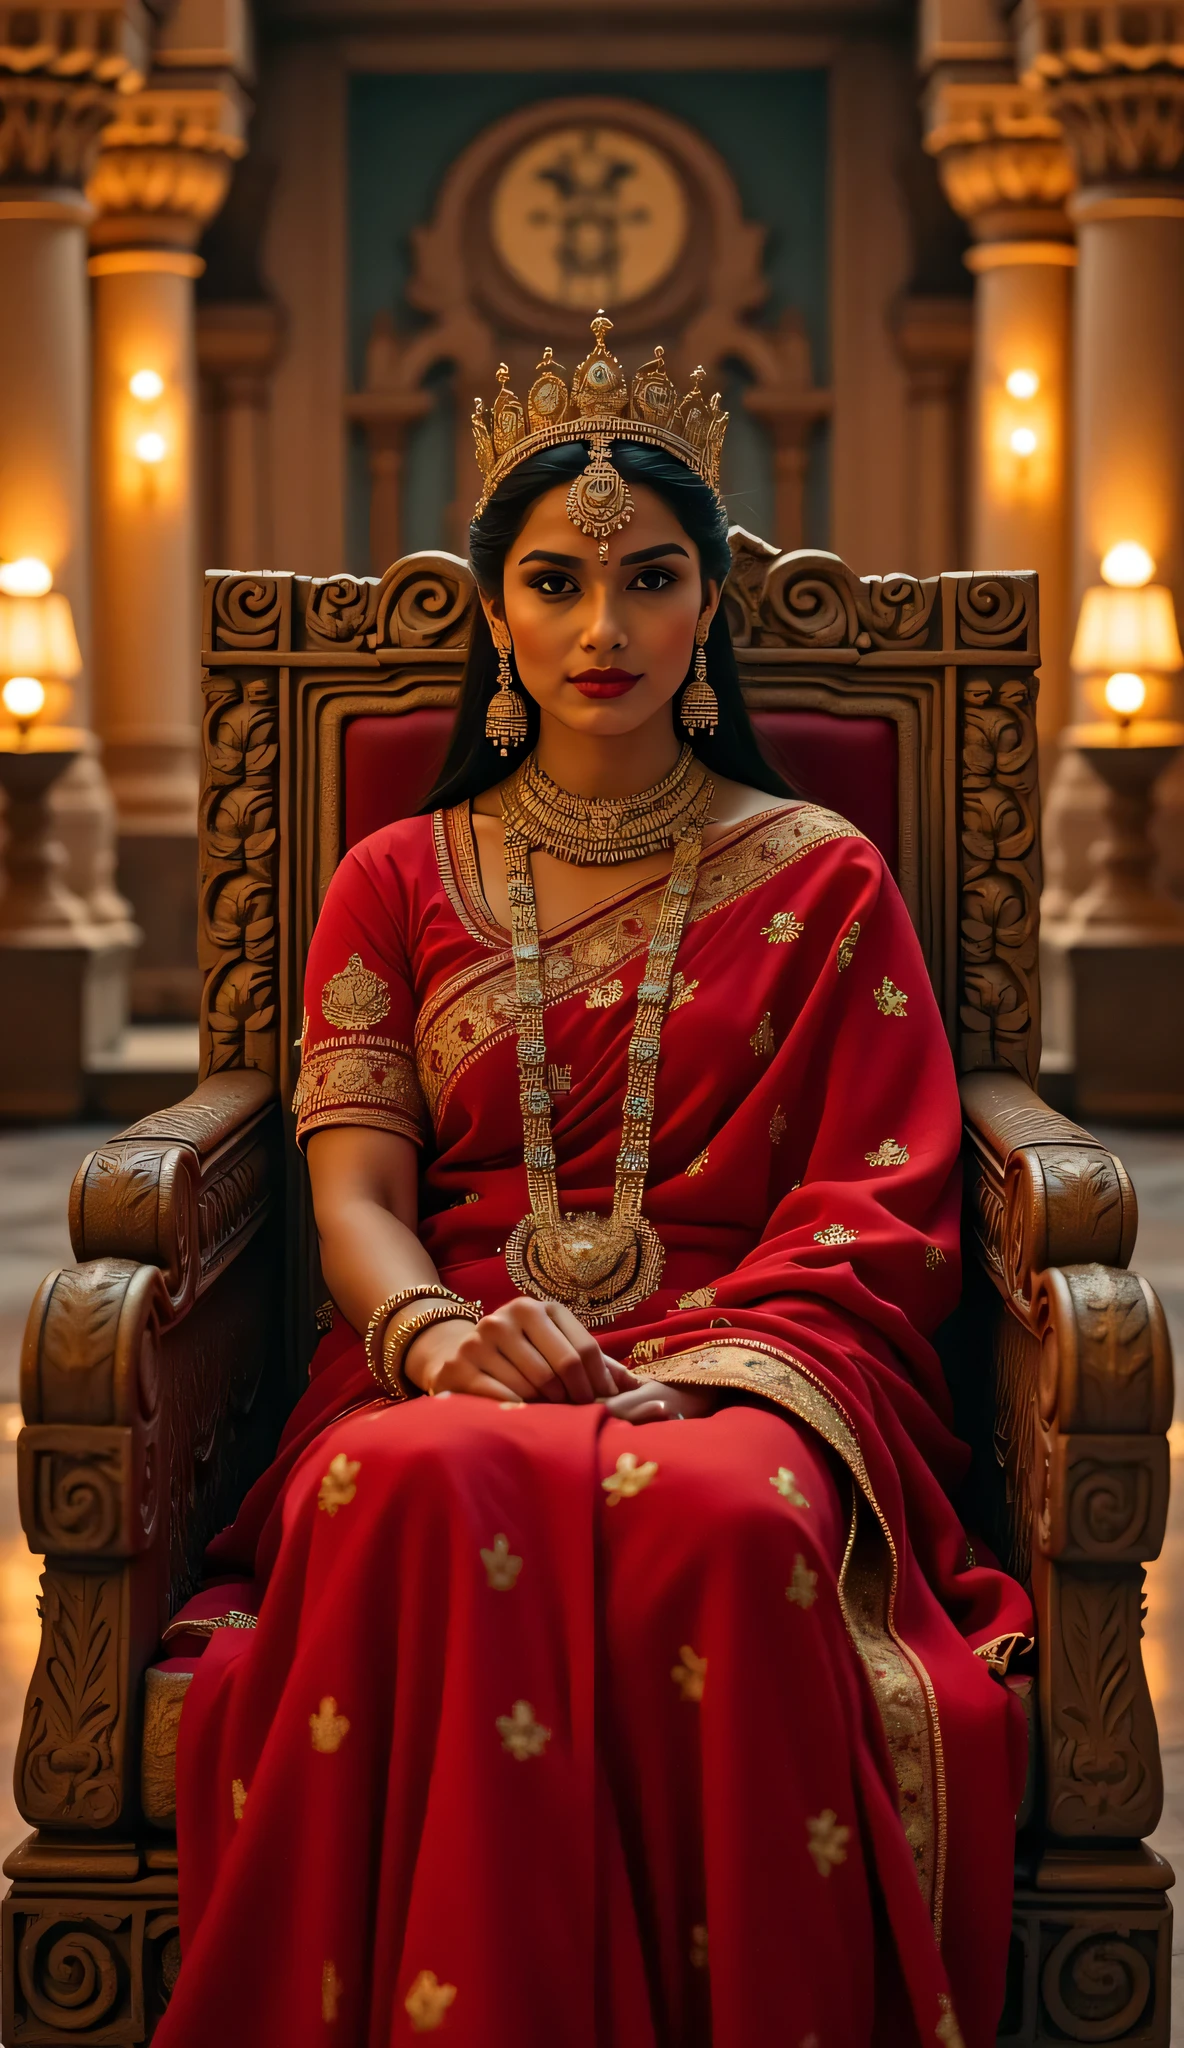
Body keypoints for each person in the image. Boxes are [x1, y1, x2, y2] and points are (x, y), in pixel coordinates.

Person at [158, 315, 1031, 2048]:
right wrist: (430, 1337)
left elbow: (876, 1201)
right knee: (401, 1495)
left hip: (753, 1368)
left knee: (722, 1527)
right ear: (496, 617)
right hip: (442, 1347)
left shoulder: (825, 876)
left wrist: (704, 1374)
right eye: (555, 583)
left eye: (648, 580)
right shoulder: (396, 876)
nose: (603, 628)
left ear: (709, 607)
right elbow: (352, 1192)